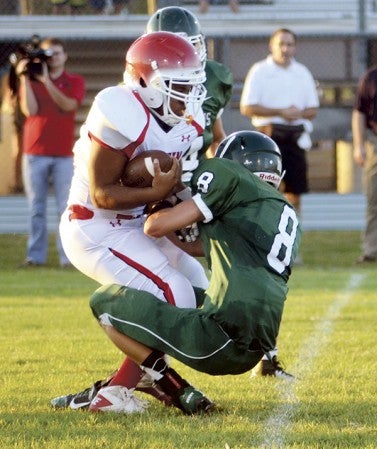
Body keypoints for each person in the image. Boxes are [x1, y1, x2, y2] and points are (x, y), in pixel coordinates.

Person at [50, 6, 234, 412]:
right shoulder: (120, 109)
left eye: (192, 86)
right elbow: (103, 194)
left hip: (134, 223)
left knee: (195, 283)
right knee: (174, 293)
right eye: (178, 87)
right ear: (145, 81)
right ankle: (149, 386)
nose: (189, 97)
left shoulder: (183, 122)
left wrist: (181, 204)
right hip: (95, 227)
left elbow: (162, 194)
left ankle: (119, 387)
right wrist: (160, 187)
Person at [86, 130, 301, 414]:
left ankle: (173, 386)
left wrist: (160, 196)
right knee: (175, 294)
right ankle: (149, 376)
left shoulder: (229, 177)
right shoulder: (280, 209)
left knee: (103, 301)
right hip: (256, 347)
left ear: (233, 164)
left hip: (219, 339)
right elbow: (201, 247)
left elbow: (155, 227)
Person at [15, 37, 86, 267]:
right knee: (36, 208)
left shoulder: (74, 80)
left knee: (65, 208)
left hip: (63, 154)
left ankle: (68, 258)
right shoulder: (31, 81)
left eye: (57, 53)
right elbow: (30, 110)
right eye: (48, 53)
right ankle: (35, 257)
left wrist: (46, 80)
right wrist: (25, 78)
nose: (53, 57)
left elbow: (68, 105)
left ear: (64, 56)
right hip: (34, 152)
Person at [145, 5, 234, 182]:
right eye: (175, 48)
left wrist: (222, 173)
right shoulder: (139, 84)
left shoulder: (214, 77)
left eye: (192, 45)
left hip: (197, 182)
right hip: (150, 186)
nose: (186, 54)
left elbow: (216, 137)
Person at [240, 28, 319, 219]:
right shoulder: (260, 71)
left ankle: (291, 233)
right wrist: (280, 112)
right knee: (265, 189)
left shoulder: (302, 72)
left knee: (295, 192)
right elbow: (247, 107)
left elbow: (313, 109)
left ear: (295, 47)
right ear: (271, 46)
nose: (285, 49)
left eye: (289, 44)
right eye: (281, 44)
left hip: (295, 136)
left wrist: (297, 113)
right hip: (268, 136)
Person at [352, 66, 377, 264]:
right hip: (375, 143)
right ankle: (371, 251)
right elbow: (359, 113)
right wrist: (359, 145)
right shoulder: (370, 77)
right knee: (374, 199)